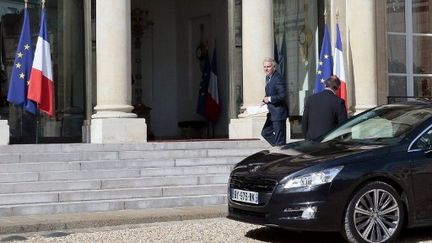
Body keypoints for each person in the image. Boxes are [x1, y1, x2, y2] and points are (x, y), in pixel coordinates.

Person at [302, 75, 348, 141]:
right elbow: (344, 125)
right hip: (330, 143)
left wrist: (306, 138)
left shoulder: (311, 99)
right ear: (337, 87)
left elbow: (304, 122)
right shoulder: (339, 102)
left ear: (325, 85)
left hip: (311, 141)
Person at [261, 57, 288, 146]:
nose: (266, 69)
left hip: (278, 113)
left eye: (268, 66)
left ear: (274, 67)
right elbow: (271, 92)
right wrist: (264, 100)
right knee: (265, 133)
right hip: (272, 113)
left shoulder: (278, 79)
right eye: (264, 67)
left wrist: (269, 99)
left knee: (280, 140)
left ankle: (281, 153)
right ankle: (278, 148)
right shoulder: (268, 77)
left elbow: (282, 95)